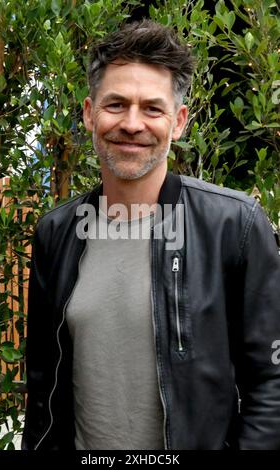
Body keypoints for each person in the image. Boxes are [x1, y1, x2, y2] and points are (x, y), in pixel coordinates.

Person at [22, 20, 280, 450]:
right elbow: (44, 388)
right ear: (89, 113)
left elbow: (271, 382)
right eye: (116, 104)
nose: (132, 123)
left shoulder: (235, 226)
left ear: (178, 122)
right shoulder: (56, 233)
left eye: (152, 109)